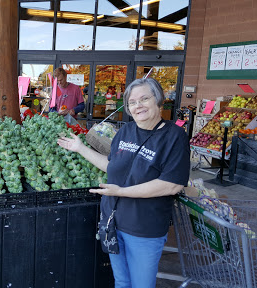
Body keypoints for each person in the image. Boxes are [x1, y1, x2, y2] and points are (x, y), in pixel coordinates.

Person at [57, 78, 190, 288]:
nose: (138, 106)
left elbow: (171, 184)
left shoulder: (174, 137)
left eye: (144, 99)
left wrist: (123, 191)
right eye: (132, 102)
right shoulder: (126, 131)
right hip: (113, 222)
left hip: (144, 228)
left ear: (159, 100)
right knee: (121, 282)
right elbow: (111, 166)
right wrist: (80, 148)